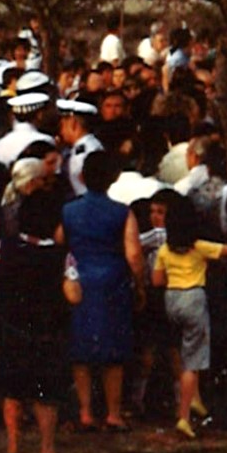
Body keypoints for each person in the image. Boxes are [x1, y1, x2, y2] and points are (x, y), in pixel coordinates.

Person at [0, 180, 71, 453]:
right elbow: (74, 293)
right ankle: (47, 448)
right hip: (47, 330)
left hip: (12, 328)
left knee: (13, 390)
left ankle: (13, 446)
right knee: (45, 392)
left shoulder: (3, 248)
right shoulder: (60, 256)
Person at [152, 188, 227, 438]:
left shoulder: (164, 250)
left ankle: (192, 401)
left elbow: (157, 280)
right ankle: (185, 414)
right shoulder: (199, 247)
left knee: (181, 348)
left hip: (171, 299)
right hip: (193, 298)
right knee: (193, 361)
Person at [61, 147, 145, 430]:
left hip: (79, 280)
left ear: (82, 176)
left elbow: (61, 241)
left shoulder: (68, 210)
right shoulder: (122, 212)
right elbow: (134, 254)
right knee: (114, 351)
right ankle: (113, 414)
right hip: (112, 281)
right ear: (113, 178)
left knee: (81, 349)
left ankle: (85, 412)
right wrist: (140, 286)